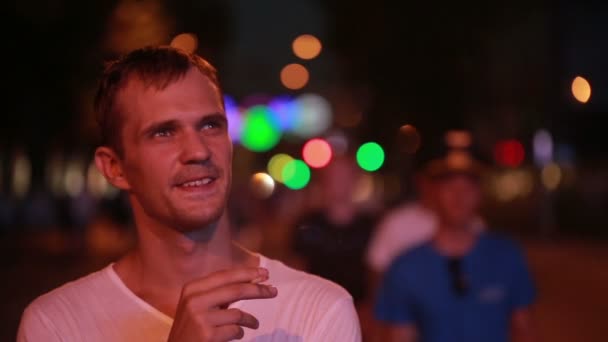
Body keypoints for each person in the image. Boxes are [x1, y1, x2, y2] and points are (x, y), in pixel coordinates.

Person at [18, 46, 361, 341]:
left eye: (211, 125)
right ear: (114, 168)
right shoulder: (56, 324)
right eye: (164, 132)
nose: (198, 150)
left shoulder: (319, 311)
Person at [374, 134, 536, 342]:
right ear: (433, 193)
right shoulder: (407, 269)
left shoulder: (507, 257)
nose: (459, 197)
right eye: (450, 187)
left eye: (467, 188)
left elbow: (524, 329)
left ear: (480, 194)